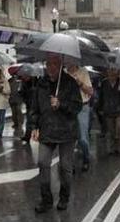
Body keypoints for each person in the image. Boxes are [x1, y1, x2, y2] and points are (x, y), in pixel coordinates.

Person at [28, 54, 83, 213]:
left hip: (67, 131)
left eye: (54, 64)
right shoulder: (41, 84)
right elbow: (34, 107)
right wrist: (34, 126)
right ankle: (46, 200)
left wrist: (61, 104)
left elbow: (77, 107)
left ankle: (64, 198)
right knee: (43, 163)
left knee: (65, 167)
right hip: (47, 130)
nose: (50, 67)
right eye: (48, 64)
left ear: (60, 66)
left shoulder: (70, 83)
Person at [97, 69, 120, 156]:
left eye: (114, 72)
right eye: (110, 72)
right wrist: (99, 108)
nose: (112, 74)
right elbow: (101, 96)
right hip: (109, 109)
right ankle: (112, 148)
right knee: (111, 130)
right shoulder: (104, 83)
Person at [67, 64, 94, 172]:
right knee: (69, 139)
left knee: (82, 138)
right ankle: (70, 165)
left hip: (82, 107)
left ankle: (86, 158)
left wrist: (79, 83)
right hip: (68, 109)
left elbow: (90, 92)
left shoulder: (83, 72)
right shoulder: (63, 73)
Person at [8, 72, 24, 138]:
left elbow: (22, 89)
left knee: (18, 110)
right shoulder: (9, 81)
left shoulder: (20, 80)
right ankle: (16, 123)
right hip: (12, 99)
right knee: (14, 112)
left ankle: (20, 123)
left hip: (18, 98)